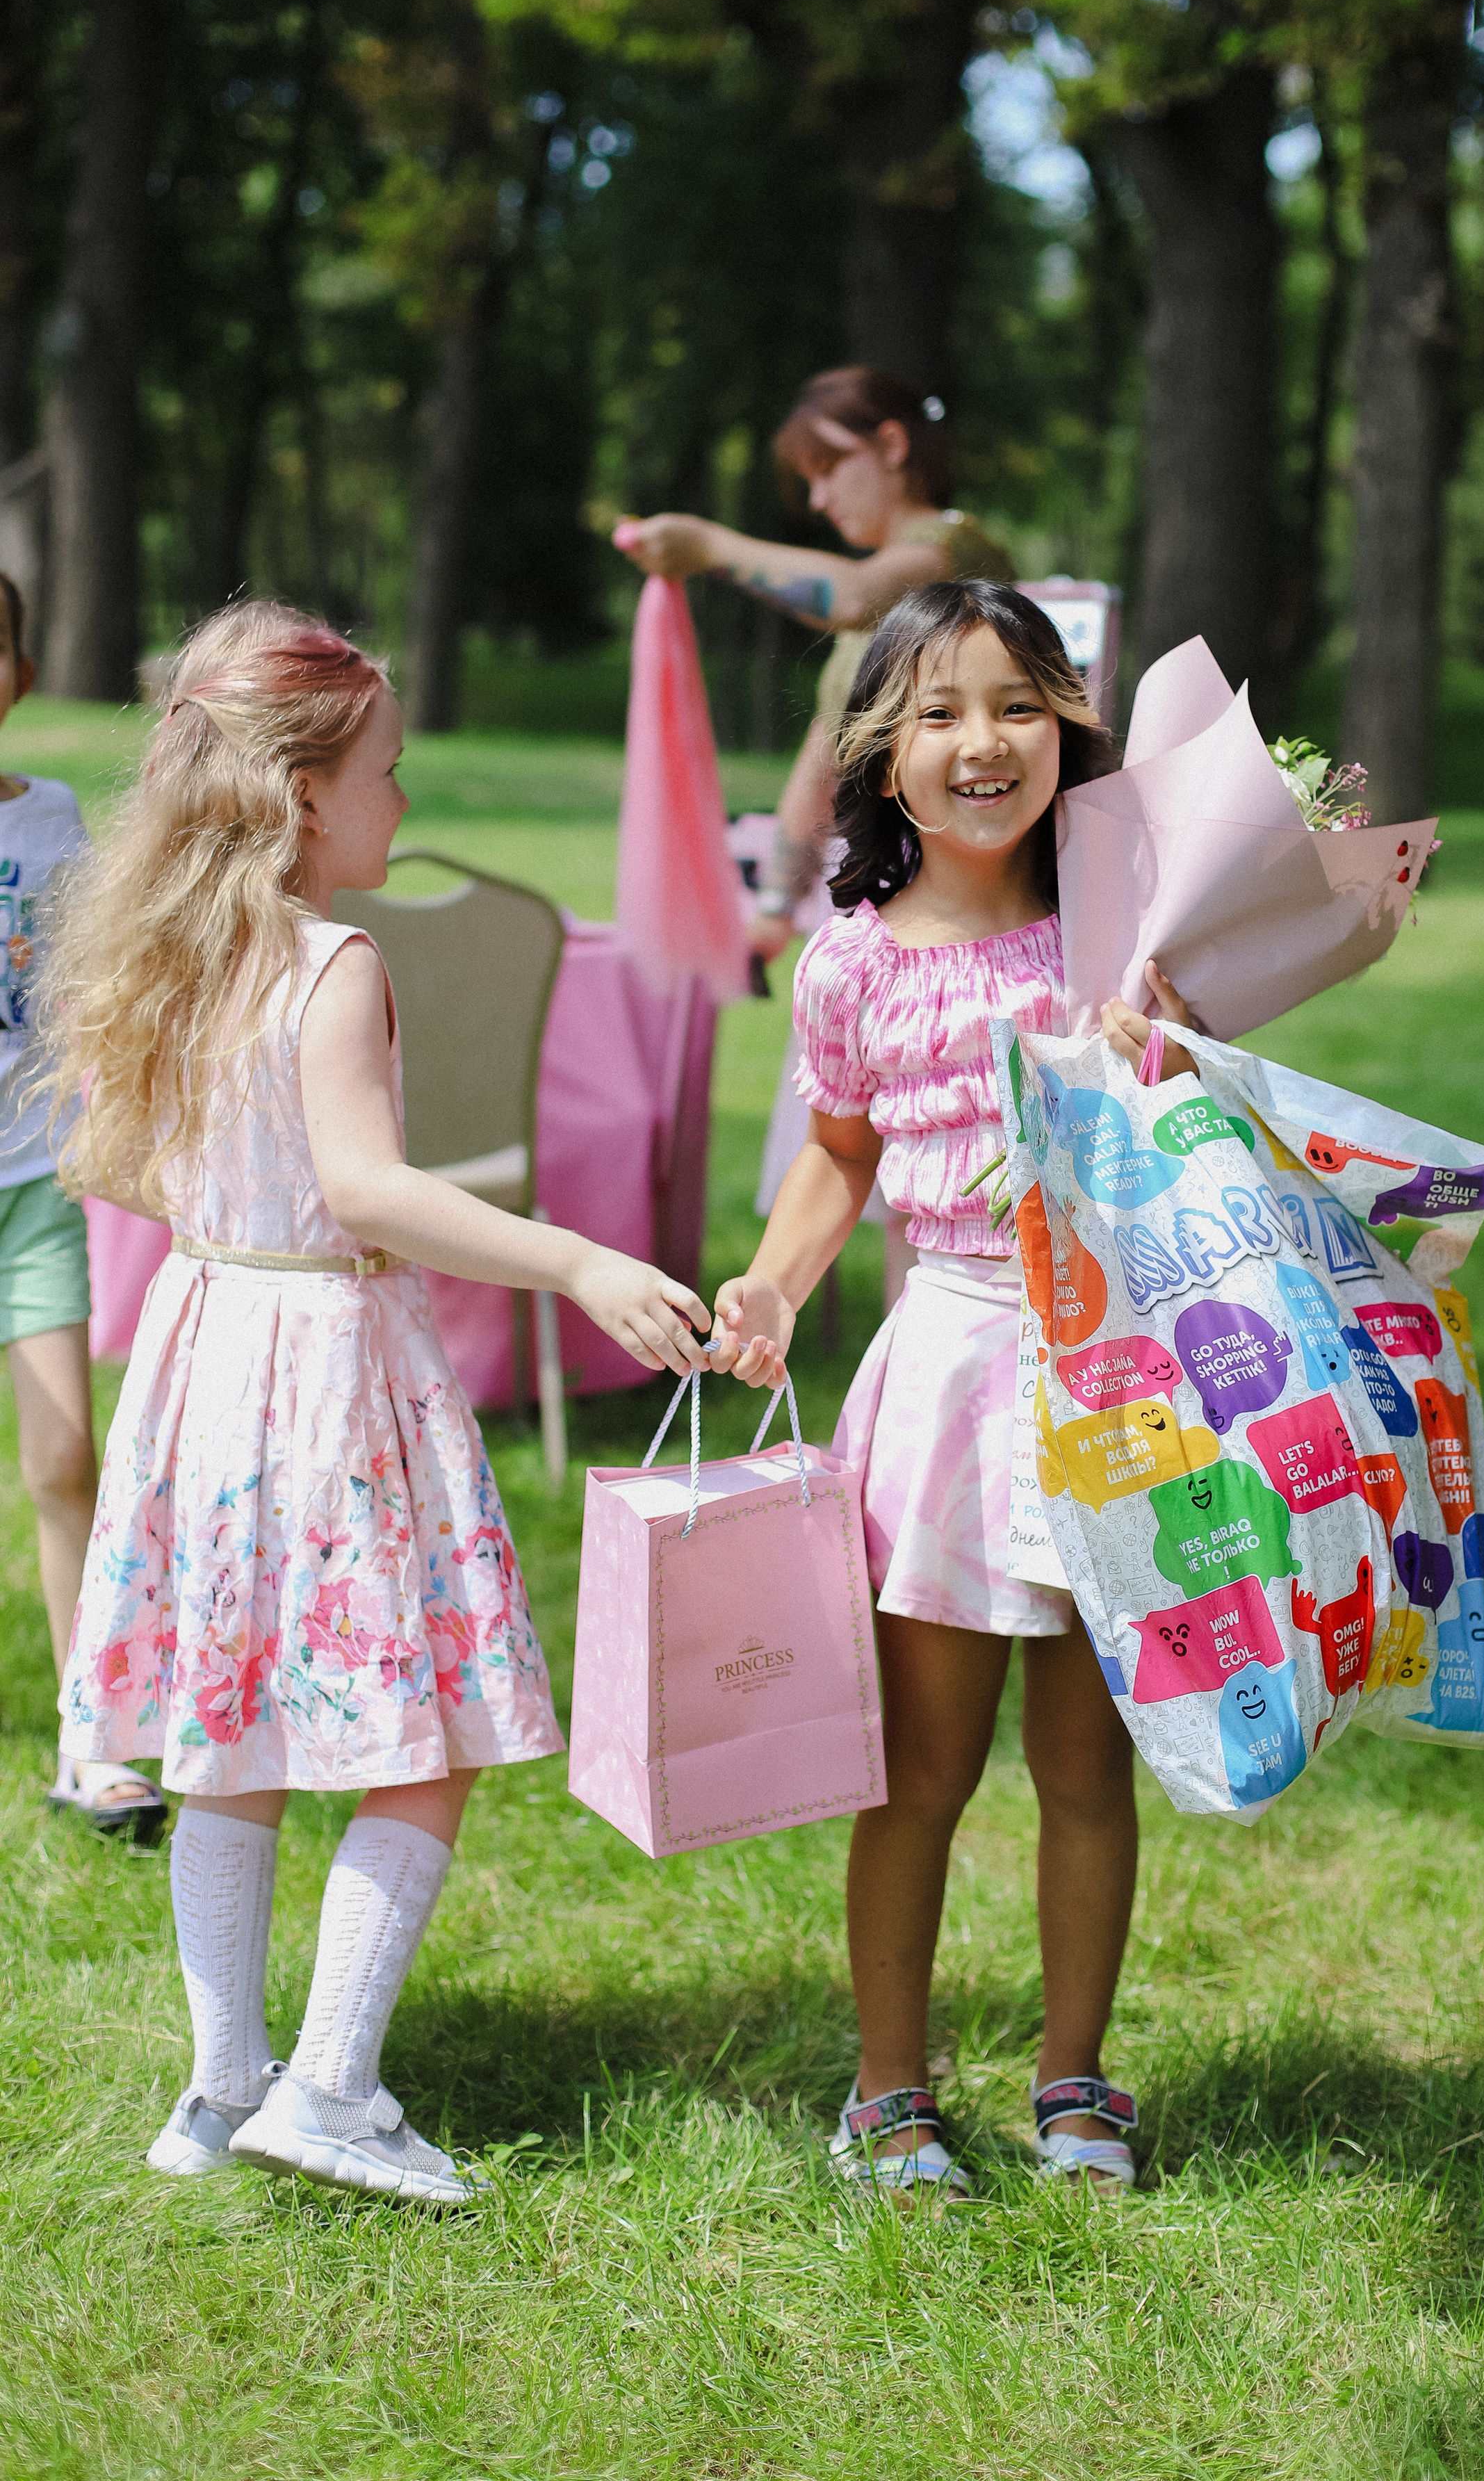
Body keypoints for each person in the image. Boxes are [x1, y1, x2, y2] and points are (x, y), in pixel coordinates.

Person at [45, 601, 712, 2206]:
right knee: (427, 1729)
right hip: (330, 1379)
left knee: (232, 1735)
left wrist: (235, 1225)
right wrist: (577, 1262)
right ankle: (328, 2085)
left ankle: (219, 2090)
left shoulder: (174, 956)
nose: (405, 803)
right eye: (389, 774)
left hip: (207, 1351)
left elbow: (107, 1160)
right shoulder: (334, 962)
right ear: (301, 799)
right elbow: (369, 1187)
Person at [710, 578, 1194, 2200]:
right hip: (945, 1379)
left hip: (1114, 1384)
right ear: (881, 749)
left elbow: (1197, 1135)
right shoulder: (849, 965)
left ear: (1064, 725)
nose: (979, 742)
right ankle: (887, 2091)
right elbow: (838, 1158)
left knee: (1084, 1763)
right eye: (937, 711)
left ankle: (1074, 2084)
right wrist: (773, 1286)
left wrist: (1178, 1052)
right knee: (918, 1771)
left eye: (1012, 705)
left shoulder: (1128, 927)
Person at [617, 366, 1017, 1312]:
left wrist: (710, 545)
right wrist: (770, 900)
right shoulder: (876, 610)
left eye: (829, 467)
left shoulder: (948, 553)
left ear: (890, 444)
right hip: (880, 897)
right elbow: (823, 757)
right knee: (866, 1150)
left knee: (936, 1153)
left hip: (952, 904)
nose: (819, 496)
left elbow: (848, 597)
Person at [0, 574, 154, 1838]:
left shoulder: (54, 823)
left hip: (31, 1189)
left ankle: (90, 1741)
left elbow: (119, 965)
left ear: (22, 668)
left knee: (63, 1456)